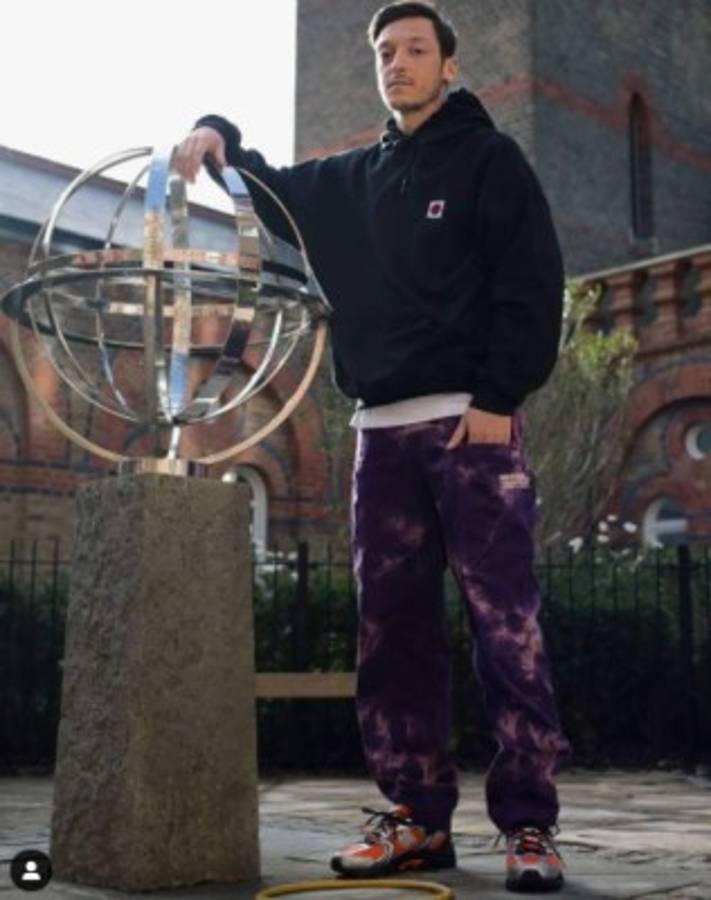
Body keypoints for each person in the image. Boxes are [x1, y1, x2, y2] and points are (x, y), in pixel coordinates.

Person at [174, 1, 572, 892]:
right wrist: (216, 130)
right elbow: (270, 188)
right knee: (390, 632)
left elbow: (531, 281)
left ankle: (529, 826)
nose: (397, 62)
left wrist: (499, 397)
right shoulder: (355, 177)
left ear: (448, 67)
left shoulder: (489, 161)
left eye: (415, 49)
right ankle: (416, 819)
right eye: (385, 51)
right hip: (380, 434)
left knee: (505, 627)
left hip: (471, 427)